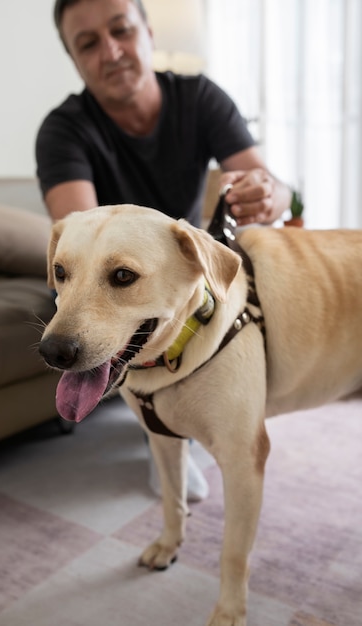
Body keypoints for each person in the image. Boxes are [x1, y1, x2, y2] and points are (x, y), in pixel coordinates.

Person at [35, 0, 292, 501]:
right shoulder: (62, 129)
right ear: (73, 57)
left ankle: (191, 422)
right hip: (106, 273)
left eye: (121, 30)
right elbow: (82, 239)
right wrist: (122, 272)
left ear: (147, 33)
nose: (110, 51)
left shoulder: (200, 99)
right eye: (88, 43)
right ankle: (162, 433)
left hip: (178, 258)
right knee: (109, 309)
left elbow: (273, 187)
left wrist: (267, 191)